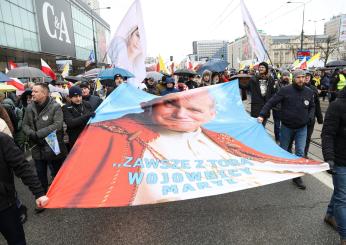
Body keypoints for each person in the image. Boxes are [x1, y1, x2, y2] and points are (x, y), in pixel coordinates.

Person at [54, 87, 320, 207]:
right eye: (170, 103)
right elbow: (86, 177)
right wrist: (56, 196)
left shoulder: (227, 141)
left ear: (209, 115)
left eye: (193, 108)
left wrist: (302, 164)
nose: (180, 114)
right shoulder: (111, 133)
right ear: (151, 106)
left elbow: (263, 161)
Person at [257, 69, 315, 190]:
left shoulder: (309, 92)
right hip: (287, 127)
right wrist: (262, 114)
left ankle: (297, 176)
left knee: (300, 152)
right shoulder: (285, 90)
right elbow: (271, 102)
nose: (301, 79)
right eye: (298, 77)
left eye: (303, 77)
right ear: (293, 78)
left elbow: (312, 106)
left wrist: (310, 117)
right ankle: (282, 167)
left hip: (302, 127)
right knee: (284, 149)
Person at [0, 132, 49, 245]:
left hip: (5, 206)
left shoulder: (2, 139)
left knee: (17, 242)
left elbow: (22, 166)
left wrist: (39, 193)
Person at [22, 83, 67, 194]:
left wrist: (39, 134)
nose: (32, 94)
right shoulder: (29, 107)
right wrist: (33, 134)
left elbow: (57, 125)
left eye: (35, 91)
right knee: (40, 173)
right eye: (32, 91)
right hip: (36, 145)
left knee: (57, 172)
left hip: (53, 143)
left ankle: (59, 193)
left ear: (45, 93)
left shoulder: (55, 106)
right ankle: (42, 197)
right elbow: (24, 125)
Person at [322, 86, 346, 243]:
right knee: (343, 198)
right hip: (340, 159)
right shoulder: (337, 105)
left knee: (340, 193)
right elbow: (327, 133)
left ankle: (330, 215)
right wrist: (329, 158)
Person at [303, 71, 323, 157]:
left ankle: (304, 153)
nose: (307, 78)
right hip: (300, 117)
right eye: (305, 76)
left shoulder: (314, 89)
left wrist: (319, 118)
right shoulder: (298, 88)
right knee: (298, 137)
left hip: (311, 118)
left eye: (308, 76)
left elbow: (317, 104)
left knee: (307, 137)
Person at [272, 70, 291, 143]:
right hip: (277, 108)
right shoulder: (277, 84)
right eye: (285, 75)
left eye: (288, 76)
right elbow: (275, 95)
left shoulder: (290, 85)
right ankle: (277, 138)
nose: (286, 77)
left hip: (286, 109)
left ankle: (284, 138)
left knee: (285, 125)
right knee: (277, 124)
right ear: (282, 76)